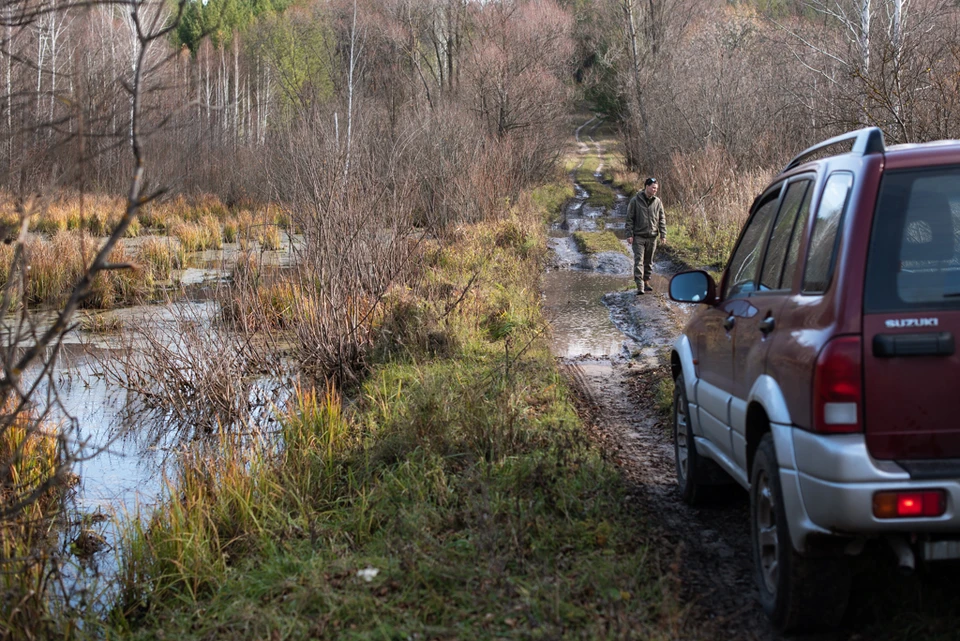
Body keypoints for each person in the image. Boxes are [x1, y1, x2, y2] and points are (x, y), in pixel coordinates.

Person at [627, 177, 667, 295]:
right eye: (653, 188)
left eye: (656, 188)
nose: (655, 190)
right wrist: (629, 234)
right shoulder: (635, 200)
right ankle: (640, 285)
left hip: (652, 236)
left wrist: (663, 234)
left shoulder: (657, 202)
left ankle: (646, 281)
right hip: (639, 236)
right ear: (647, 187)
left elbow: (662, 219)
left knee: (648, 261)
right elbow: (629, 219)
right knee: (639, 260)